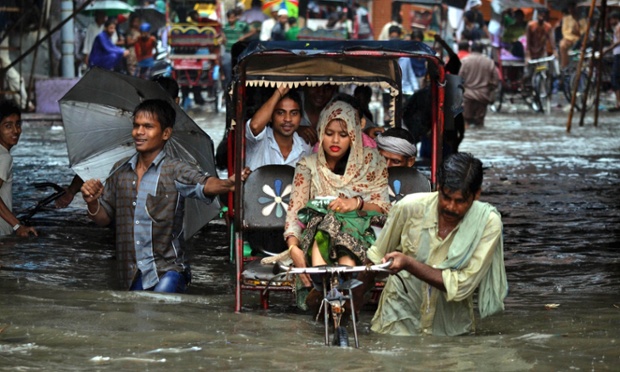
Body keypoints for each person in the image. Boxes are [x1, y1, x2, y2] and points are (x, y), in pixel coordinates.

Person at [80, 99, 248, 293]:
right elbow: (104, 218)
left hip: (169, 269)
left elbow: (204, 183)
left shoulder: (175, 169)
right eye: (136, 126)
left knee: (159, 305)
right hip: (131, 272)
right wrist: (92, 202)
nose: (139, 132)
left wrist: (227, 184)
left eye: (148, 127)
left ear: (166, 133)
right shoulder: (120, 170)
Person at [367, 152, 507, 336]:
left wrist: (408, 263)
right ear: (438, 187)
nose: (450, 207)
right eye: (446, 197)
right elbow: (376, 258)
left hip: (450, 331)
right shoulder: (409, 207)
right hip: (396, 322)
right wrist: (348, 300)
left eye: (460, 201)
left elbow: (462, 286)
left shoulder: (488, 223)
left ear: (476, 195)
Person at [284, 100, 391, 294]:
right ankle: (324, 283)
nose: (335, 141)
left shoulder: (371, 161)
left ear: (353, 136)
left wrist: (356, 204)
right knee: (327, 219)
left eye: (343, 135)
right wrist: (293, 249)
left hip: (362, 239)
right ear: (320, 133)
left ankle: (341, 285)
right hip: (316, 239)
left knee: (344, 222)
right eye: (329, 133)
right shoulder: (307, 165)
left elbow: (384, 208)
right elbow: (294, 214)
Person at [55, 76, 182, 209]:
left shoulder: (174, 144)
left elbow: (99, 160)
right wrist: (71, 191)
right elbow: (99, 160)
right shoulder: (131, 127)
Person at [245, 87, 312, 171]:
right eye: (280, 113)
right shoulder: (259, 140)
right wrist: (278, 93)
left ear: (300, 117)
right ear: (270, 117)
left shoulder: (305, 146)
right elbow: (255, 126)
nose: (287, 119)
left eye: (294, 113)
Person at [0, 100, 37, 237]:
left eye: (18, 124)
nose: (16, 131)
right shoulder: (4, 158)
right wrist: (17, 226)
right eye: (8, 126)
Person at [459, 42, 498, 127]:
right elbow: (495, 79)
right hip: (483, 96)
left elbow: (459, 79)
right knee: (479, 123)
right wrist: (490, 89)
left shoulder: (465, 61)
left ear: (470, 49)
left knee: (466, 122)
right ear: (482, 50)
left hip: (467, 96)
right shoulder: (489, 62)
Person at [604, 12, 620, 112]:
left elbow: (618, 41)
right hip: (617, 54)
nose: (610, 22)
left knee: (615, 79)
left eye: (611, 20)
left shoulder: (618, 27)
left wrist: (607, 49)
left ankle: (619, 103)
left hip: (619, 54)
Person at [559, 6, 581, 70]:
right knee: (562, 45)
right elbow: (565, 32)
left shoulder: (581, 18)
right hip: (568, 40)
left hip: (578, 39)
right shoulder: (566, 18)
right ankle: (564, 66)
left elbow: (582, 31)